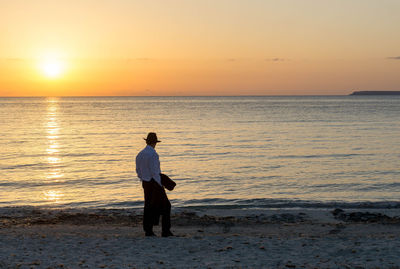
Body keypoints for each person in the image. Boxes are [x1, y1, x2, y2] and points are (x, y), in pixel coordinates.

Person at [135, 132, 173, 237]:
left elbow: (138, 170)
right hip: (154, 183)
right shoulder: (153, 154)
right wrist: (160, 184)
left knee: (148, 206)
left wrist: (143, 179)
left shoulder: (140, 154)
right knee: (166, 206)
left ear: (147, 141)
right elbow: (154, 172)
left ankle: (148, 230)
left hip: (145, 183)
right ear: (155, 143)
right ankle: (165, 231)